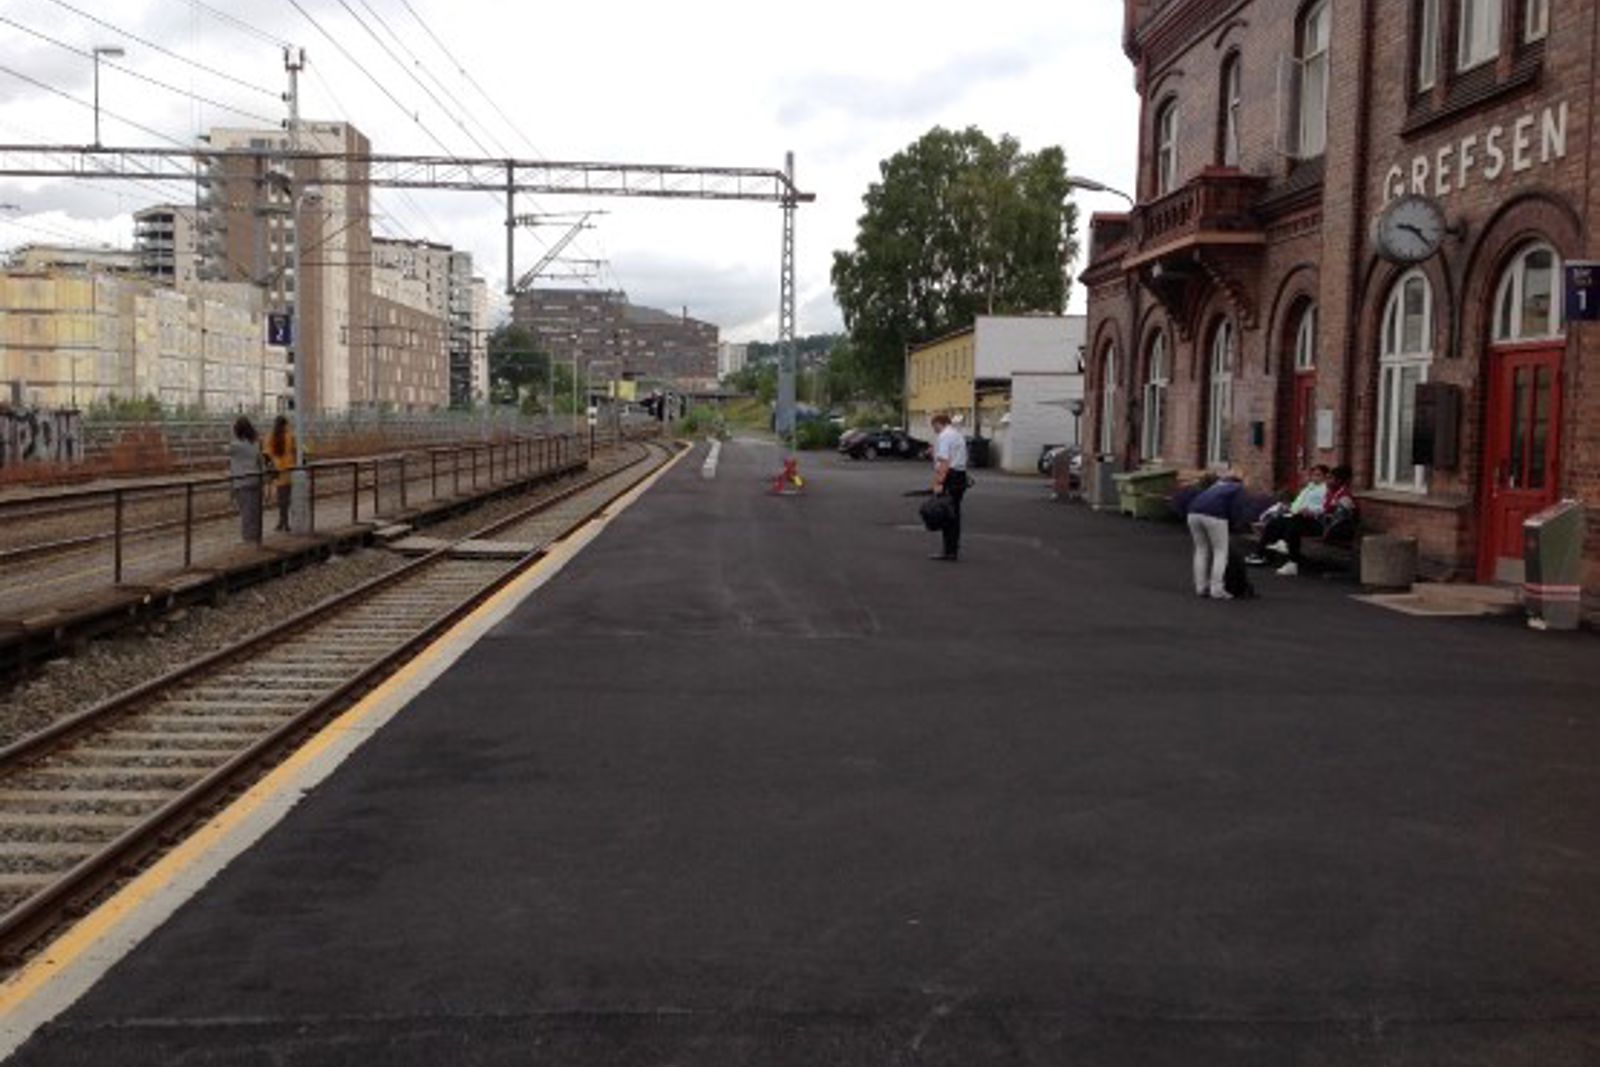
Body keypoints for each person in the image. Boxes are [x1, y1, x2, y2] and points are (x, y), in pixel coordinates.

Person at [1263, 464, 1356, 577]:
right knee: (1291, 520)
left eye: (1331, 478)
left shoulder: (1344, 497)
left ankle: (1290, 554)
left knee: (1296, 522)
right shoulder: (1331, 493)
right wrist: (1311, 512)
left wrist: (1315, 513)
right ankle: (1288, 556)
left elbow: (1341, 519)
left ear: (1340, 481)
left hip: (1330, 529)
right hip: (1323, 523)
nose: (1328, 481)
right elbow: (1324, 510)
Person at [1246, 464, 1329, 570]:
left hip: (1313, 520)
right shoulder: (1309, 488)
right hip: (1298, 516)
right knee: (1275, 523)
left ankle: (1287, 550)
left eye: (1318, 475)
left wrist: (1310, 510)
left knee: (1292, 524)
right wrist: (1290, 507)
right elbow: (1298, 503)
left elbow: (1323, 507)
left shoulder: (1325, 489)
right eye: (1313, 475)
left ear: (1325, 476)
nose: (1315, 477)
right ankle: (1261, 554)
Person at [1186, 470, 1251, 599]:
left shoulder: (1216, 485)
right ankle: (1217, 589)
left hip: (1193, 512)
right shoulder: (1238, 488)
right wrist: (1238, 526)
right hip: (1215, 515)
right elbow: (1237, 509)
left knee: (1201, 549)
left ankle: (1201, 586)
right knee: (1221, 551)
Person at [928, 412, 968, 561]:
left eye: (934, 426)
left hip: (950, 476)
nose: (934, 430)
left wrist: (938, 483)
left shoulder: (944, 436)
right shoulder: (957, 434)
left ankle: (948, 551)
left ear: (939, 423)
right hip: (960, 475)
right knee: (954, 513)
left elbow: (944, 461)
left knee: (945, 513)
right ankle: (952, 549)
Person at [227, 415, 265, 544]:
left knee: (246, 514)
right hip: (256, 480)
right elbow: (261, 462)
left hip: (241, 483)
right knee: (255, 512)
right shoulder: (255, 444)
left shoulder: (235, 446)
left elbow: (224, 450)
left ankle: (248, 540)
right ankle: (256, 538)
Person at [262, 415, 297, 533]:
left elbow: (266, 455)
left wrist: (270, 467)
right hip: (289, 469)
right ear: (285, 424)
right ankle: (285, 523)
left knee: (281, 498)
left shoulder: (270, 437)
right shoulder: (290, 436)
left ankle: (282, 522)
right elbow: (295, 450)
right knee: (286, 497)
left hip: (277, 470)